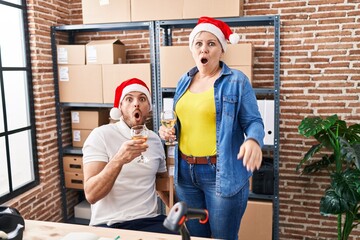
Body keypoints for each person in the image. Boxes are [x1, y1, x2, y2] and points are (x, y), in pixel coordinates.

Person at [158, 16, 265, 239]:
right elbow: (185, 123)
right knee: (197, 237)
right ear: (192, 49)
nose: (203, 49)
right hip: (186, 174)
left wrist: (253, 140)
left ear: (221, 49)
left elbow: (254, 121)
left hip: (221, 173)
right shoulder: (183, 81)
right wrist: (168, 131)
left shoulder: (237, 80)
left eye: (211, 43)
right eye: (198, 44)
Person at [82, 78, 174, 234]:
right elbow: (91, 195)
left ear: (148, 108)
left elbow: (162, 186)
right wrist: (119, 160)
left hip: (150, 221)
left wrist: (182, 211)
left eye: (142, 99)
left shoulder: (154, 140)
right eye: (129, 99)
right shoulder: (100, 135)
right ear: (120, 108)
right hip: (109, 224)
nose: (136, 104)